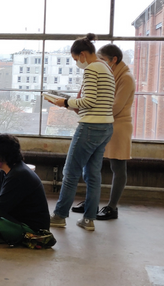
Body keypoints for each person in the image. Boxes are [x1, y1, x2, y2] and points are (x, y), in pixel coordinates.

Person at [48, 33, 115, 231]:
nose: (78, 63)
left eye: (77, 59)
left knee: (70, 172)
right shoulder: (106, 68)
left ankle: (60, 216)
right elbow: (99, 101)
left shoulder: (92, 69)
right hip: (106, 127)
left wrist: (65, 102)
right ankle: (89, 219)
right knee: (93, 174)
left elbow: (89, 101)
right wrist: (72, 103)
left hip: (90, 127)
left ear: (84, 54)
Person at [71, 44, 135, 220]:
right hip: (102, 122)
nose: (101, 63)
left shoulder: (126, 78)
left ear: (114, 60)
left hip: (118, 125)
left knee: (117, 166)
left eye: (104, 60)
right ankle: (90, 202)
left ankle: (112, 207)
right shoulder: (105, 73)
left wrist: (88, 109)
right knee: (92, 165)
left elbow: (115, 107)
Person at [0, 134, 51, 245]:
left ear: (4, 154)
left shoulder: (19, 175)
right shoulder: (7, 171)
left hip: (32, 230)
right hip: (15, 220)